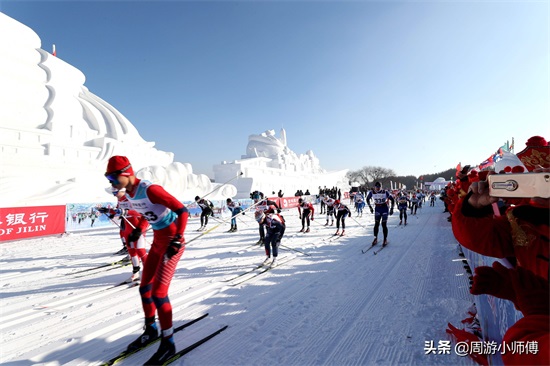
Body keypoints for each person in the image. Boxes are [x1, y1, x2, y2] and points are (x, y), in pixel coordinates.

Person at [104, 155, 189, 365]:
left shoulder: (151, 189)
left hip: (172, 243)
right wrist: (138, 231)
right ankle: (151, 329)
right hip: (158, 241)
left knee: (159, 293)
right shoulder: (130, 194)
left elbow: (182, 210)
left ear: (126, 173)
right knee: (144, 288)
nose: (111, 183)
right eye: (109, 179)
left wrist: (178, 237)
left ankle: (168, 343)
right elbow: (144, 214)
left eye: (113, 178)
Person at [99, 187, 149, 282]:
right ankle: (136, 272)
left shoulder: (132, 198)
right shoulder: (120, 199)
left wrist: (126, 212)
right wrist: (108, 211)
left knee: (140, 250)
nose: (115, 195)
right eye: (113, 193)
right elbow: (118, 210)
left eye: (116, 192)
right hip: (128, 226)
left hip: (137, 225)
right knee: (131, 250)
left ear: (123, 190)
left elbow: (141, 212)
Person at [366, 182, 395, 246]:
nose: (377, 189)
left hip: (384, 208)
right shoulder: (372, 192)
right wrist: (370, 207)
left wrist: (392, 209)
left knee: (383, 224)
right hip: (377, 209)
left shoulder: (385, 192)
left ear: (381, 187)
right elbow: (367, 199)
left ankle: (385, 239)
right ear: (375, 187)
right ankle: (375, 238)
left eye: (379, 187)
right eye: (376, 187)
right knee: (376, 224)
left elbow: (392, 200)